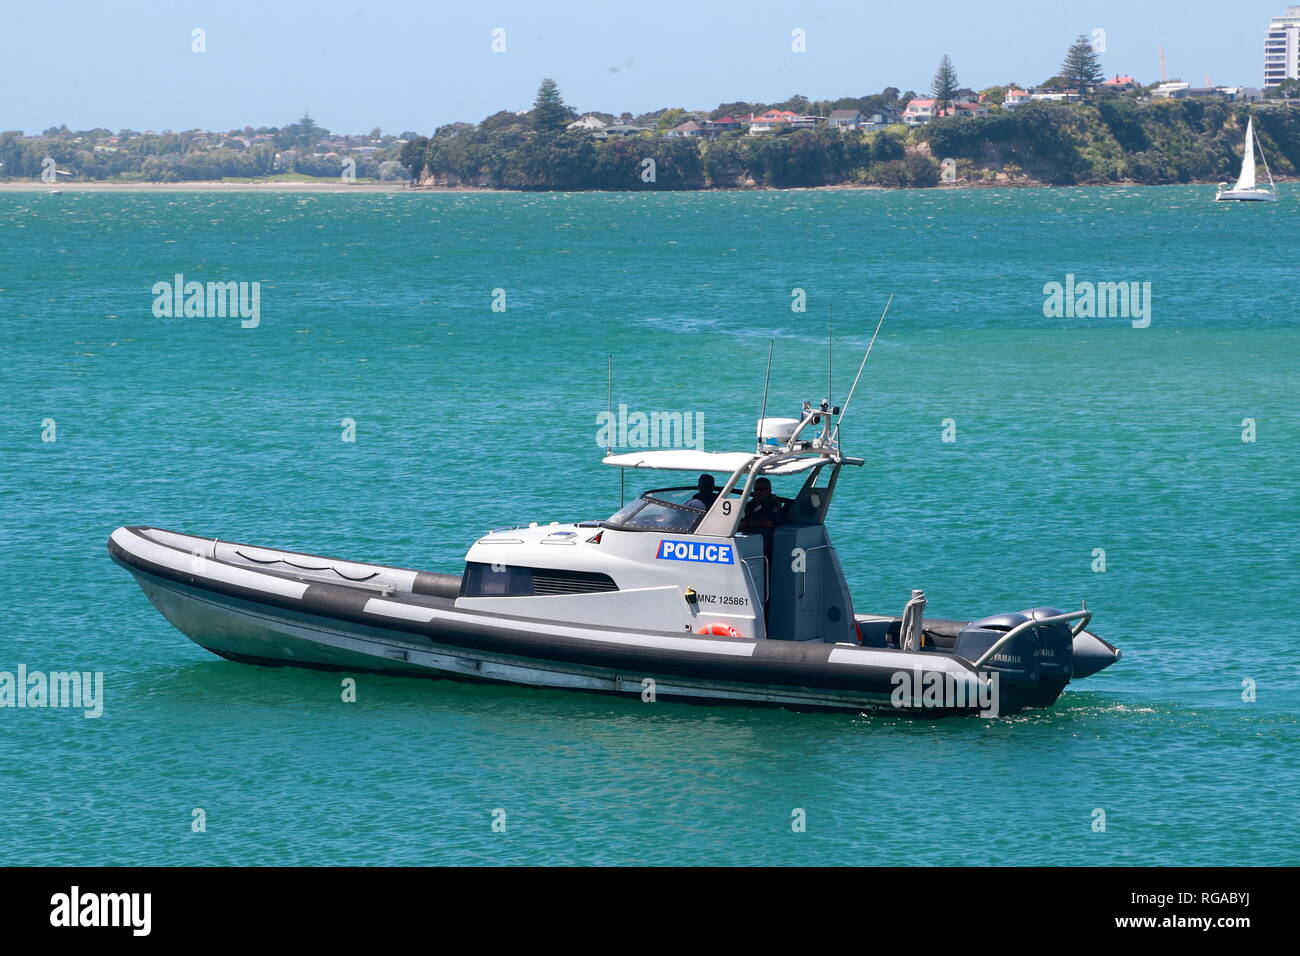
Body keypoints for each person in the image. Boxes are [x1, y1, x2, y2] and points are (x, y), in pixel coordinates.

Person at [740, 477, 782, 548]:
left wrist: (748, 523)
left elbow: (768, 522)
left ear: (769, 490)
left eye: (761, 490)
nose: (757, 492)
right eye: (756, 489)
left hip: (765, 538)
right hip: (748, 534)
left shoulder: (773, 504)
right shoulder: (752, 503)